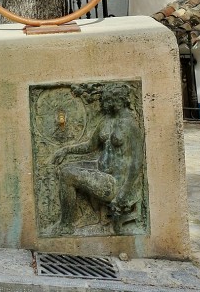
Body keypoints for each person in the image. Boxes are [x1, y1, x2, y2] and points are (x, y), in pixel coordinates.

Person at [51, 83, 144, 235]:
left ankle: (66, 225)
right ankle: (87, 215)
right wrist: (65, 150)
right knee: (63, 169)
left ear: (118, 101)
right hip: (101, 171)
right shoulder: (106, 122)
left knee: (67, 175)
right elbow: (90, 146)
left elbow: (136, 162)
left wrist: (123, 193)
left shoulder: (130, 126)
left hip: (115, 183)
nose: (104, 104)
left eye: (107, 100)